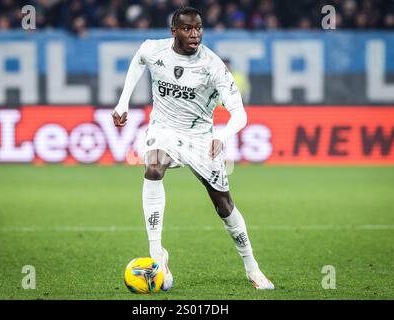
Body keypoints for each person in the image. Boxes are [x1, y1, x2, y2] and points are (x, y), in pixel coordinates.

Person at [111, 6, 274, 291]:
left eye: (199, 28)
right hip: (163, 128)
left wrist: (222, 136)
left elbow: (240, 114)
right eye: (188, 29)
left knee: (223, 205)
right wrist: (123, 102)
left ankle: (252, 267)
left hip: (200, 138)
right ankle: (156, 255)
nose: (195, 34)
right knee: (152, 167)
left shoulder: (213, 66)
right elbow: (139, 60)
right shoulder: (154, 50)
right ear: (174, 31)